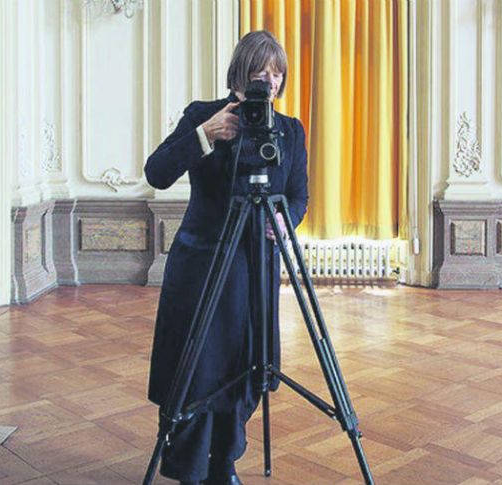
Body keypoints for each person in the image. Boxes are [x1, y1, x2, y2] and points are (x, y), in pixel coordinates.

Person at [144, 30, 309, 485]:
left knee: (245, 365)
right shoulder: (203, 114)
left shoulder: (289, 130)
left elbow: (298, 196)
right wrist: (204, 134)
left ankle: (223, 463)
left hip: (254, 267)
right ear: (240, 74)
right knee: (196, 367)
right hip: (202, 264)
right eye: (261, 72)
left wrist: (284, 222)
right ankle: (188, 468)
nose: (269, 82)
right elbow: (156, 172)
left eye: (277, 74)